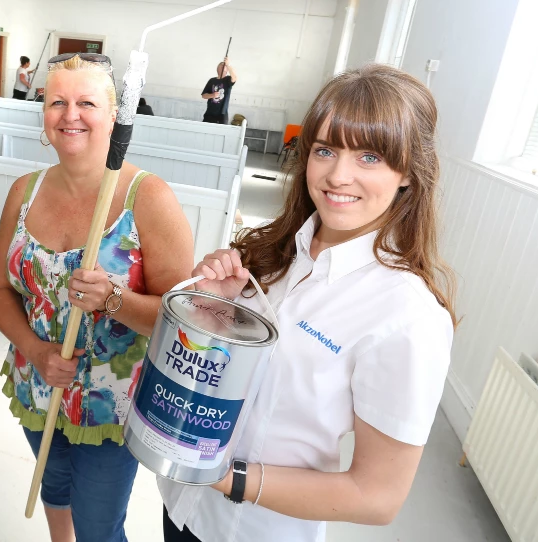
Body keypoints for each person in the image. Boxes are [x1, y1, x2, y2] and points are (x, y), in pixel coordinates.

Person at [161, 64, 457, 542]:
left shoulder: (407, 316)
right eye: (325, 150)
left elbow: (377, 496)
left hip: (251, 529)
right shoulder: (272, 256)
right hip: (180, 507)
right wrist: (209, 309)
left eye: (369, 157)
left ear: (407, 174)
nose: (338, 175)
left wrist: (223, 477)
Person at [0, 53, 194, 542]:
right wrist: (36, 352)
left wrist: (113, 299)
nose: (70, 114)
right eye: (57, 101)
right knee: (54, 490)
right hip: (37, 381)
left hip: (112, 405)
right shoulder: (24, 191)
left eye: (87, 102)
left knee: (99, 526)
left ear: (115, 115)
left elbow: (181, 321)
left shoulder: (149, 197)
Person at [201, 57, 237, 124]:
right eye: (221, 65)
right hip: (209, 114)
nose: (222, 67)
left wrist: (228, 65)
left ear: (227, 70)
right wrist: (212, 95)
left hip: (222, 115)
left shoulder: (228, 80)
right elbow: (204, 95)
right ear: (217, 68)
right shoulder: (212, 80)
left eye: (224, 66)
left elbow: (234, 77)